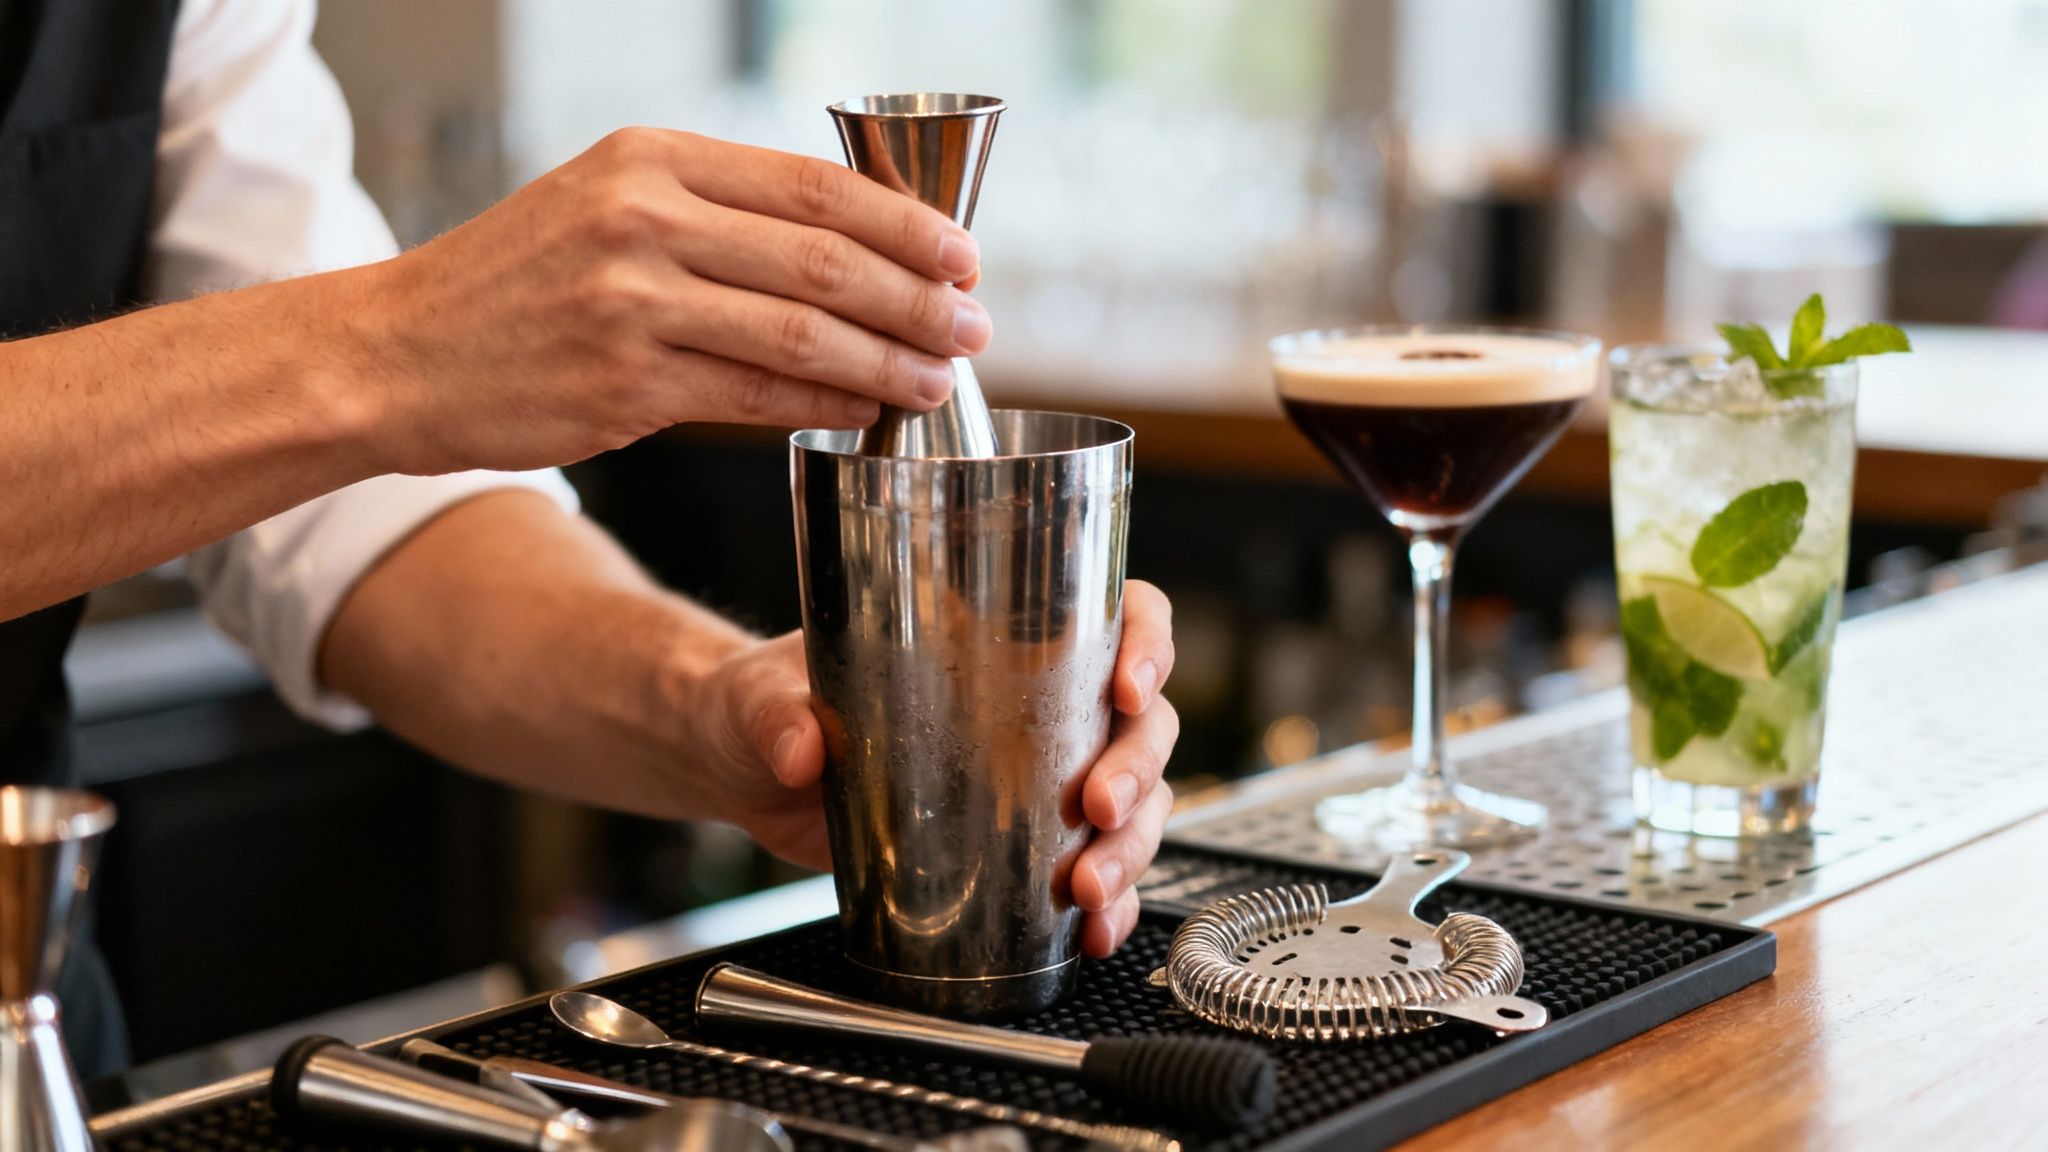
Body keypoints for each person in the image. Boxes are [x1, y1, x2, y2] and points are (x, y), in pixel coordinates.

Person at [0, 0, 1178, 1073]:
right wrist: (396, 345)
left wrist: (723, 711)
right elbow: (340, 392)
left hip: (31, 1005)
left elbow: (339, 507)